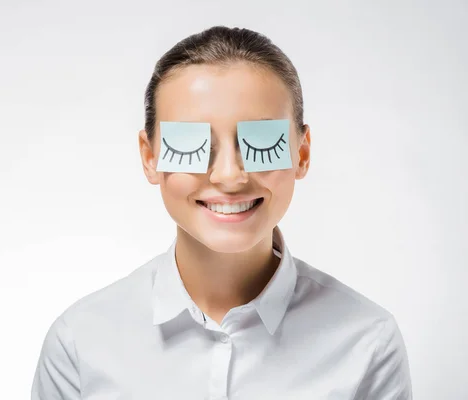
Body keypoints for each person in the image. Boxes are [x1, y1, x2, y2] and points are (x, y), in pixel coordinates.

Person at [31, 26, 412, 399]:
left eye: (262, 142)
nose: (230, 175)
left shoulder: (368, 344)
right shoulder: (80, 345)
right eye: (192, 145)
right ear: (150, 157)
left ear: (302, 152)